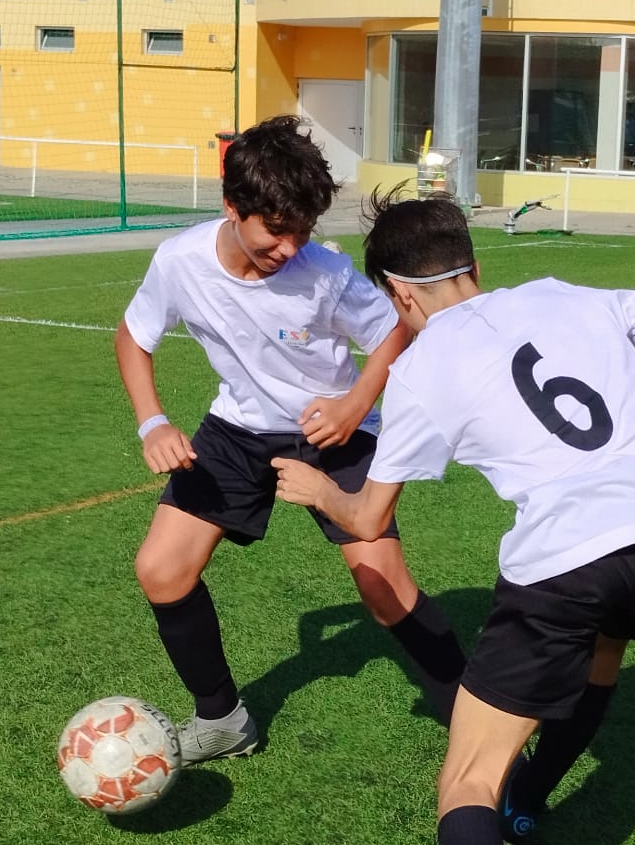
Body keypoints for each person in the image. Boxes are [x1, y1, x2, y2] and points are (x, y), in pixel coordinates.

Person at [271, 194, 635, 845]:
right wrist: (629, 387)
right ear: (469, 262)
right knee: (603, 650)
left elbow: (369, 521)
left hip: (569, 556)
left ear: (401, 296)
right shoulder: (562, 293)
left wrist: (317, 490)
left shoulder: (422, 369)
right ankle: (535, 799)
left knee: (465, 776)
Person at [114, 119, 466, 763]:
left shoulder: (325, 272)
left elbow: (396, 330)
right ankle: (222, 720)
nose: (289, 246)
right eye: (276, 231)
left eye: (302, 231)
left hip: (337, 432)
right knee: (161, 570)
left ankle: (476, 722)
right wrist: (153, 421)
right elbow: (133, 337)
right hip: (236, 431)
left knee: (382, 587)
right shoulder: (179, 262)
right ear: (232, 207)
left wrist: (355, 402)